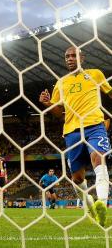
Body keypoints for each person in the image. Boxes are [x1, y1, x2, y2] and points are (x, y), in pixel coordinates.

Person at [39, 46, 112, 226]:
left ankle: (102, 203)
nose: (70, 58)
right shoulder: (61, 83)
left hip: (95, 125)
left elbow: (110, 92)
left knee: (98, 158)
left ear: (82, 58)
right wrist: (48, 104)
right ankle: (91, 205)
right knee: (77, 178)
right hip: (71, 130)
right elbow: (58, 113)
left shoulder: (95, 74)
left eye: (73, 56)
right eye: (67, 56)